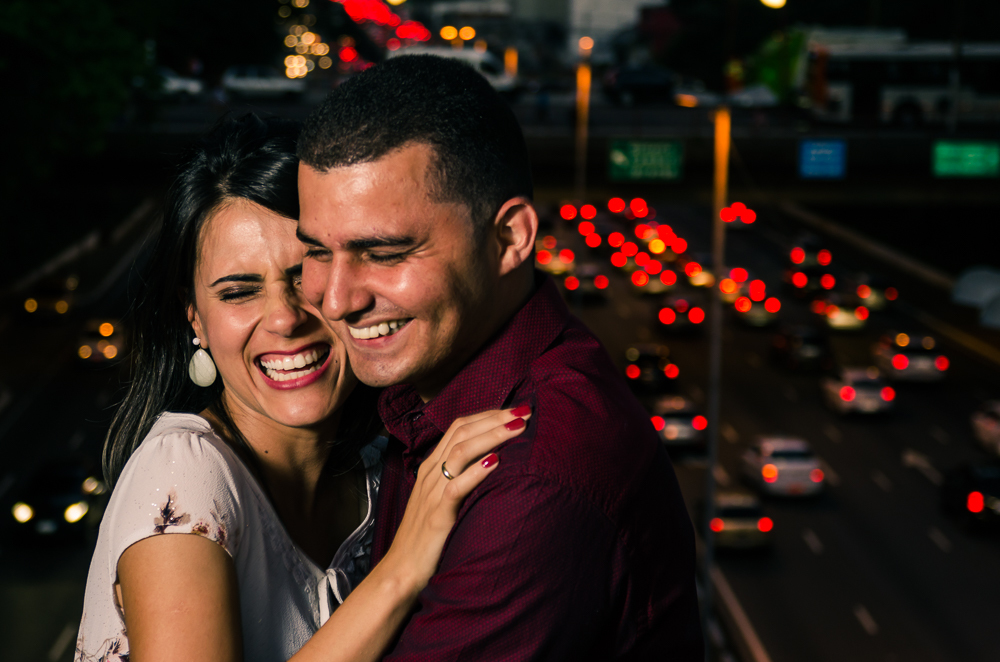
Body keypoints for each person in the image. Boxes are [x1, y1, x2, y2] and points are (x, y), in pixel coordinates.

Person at [75, 113, 529, 662]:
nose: (285, 319)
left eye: (303, 274)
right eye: (239, 292)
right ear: (194, 318)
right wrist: (402, 569)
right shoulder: (185, 476)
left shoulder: (383, 475)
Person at [296, 55, 703, 659]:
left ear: (510, 239)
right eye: (317, 252)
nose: (335, 299)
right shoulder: (429, 391)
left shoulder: (530, 480)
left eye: (382, 253)